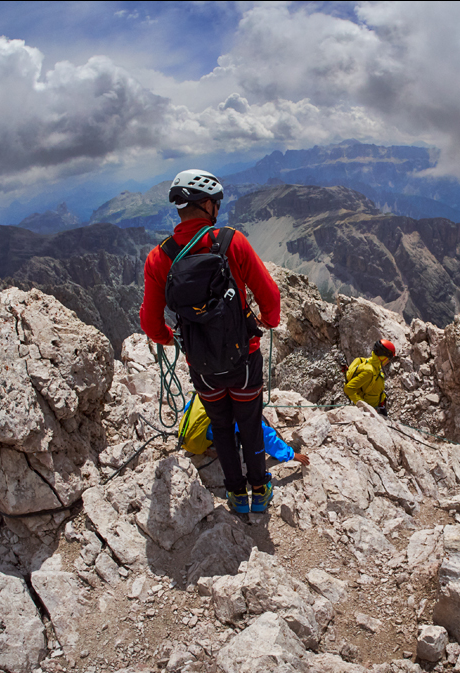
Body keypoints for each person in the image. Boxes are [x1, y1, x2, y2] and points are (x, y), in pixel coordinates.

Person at [140, 169, 281, 516]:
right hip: (244, 359)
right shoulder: (232, 241)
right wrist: (268, 321)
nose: (217, 208)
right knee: (249, 421)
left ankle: (235, 496)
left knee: (220, 424)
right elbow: (270, 296)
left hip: (202, 366)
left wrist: (169, 341)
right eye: (215, 203)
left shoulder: (159, 258)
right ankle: (260, 492)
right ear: (206, 205)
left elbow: (151, 322)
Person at [178, 393, 311, 467]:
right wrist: (291, 455)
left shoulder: (208, 390)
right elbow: (260, 433)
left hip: (187, 438)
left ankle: (211, 447)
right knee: (254, 422)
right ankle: (283, 448)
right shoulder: (235, 407)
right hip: (203, 442)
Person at [344, 339, 396, 415]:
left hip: (378, 405)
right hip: (370, 410)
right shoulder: (369, 371)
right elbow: (348, 389)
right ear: (382, 357)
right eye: (389, 358)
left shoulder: (374, 364)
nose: (389, 361)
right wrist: (365, 408)